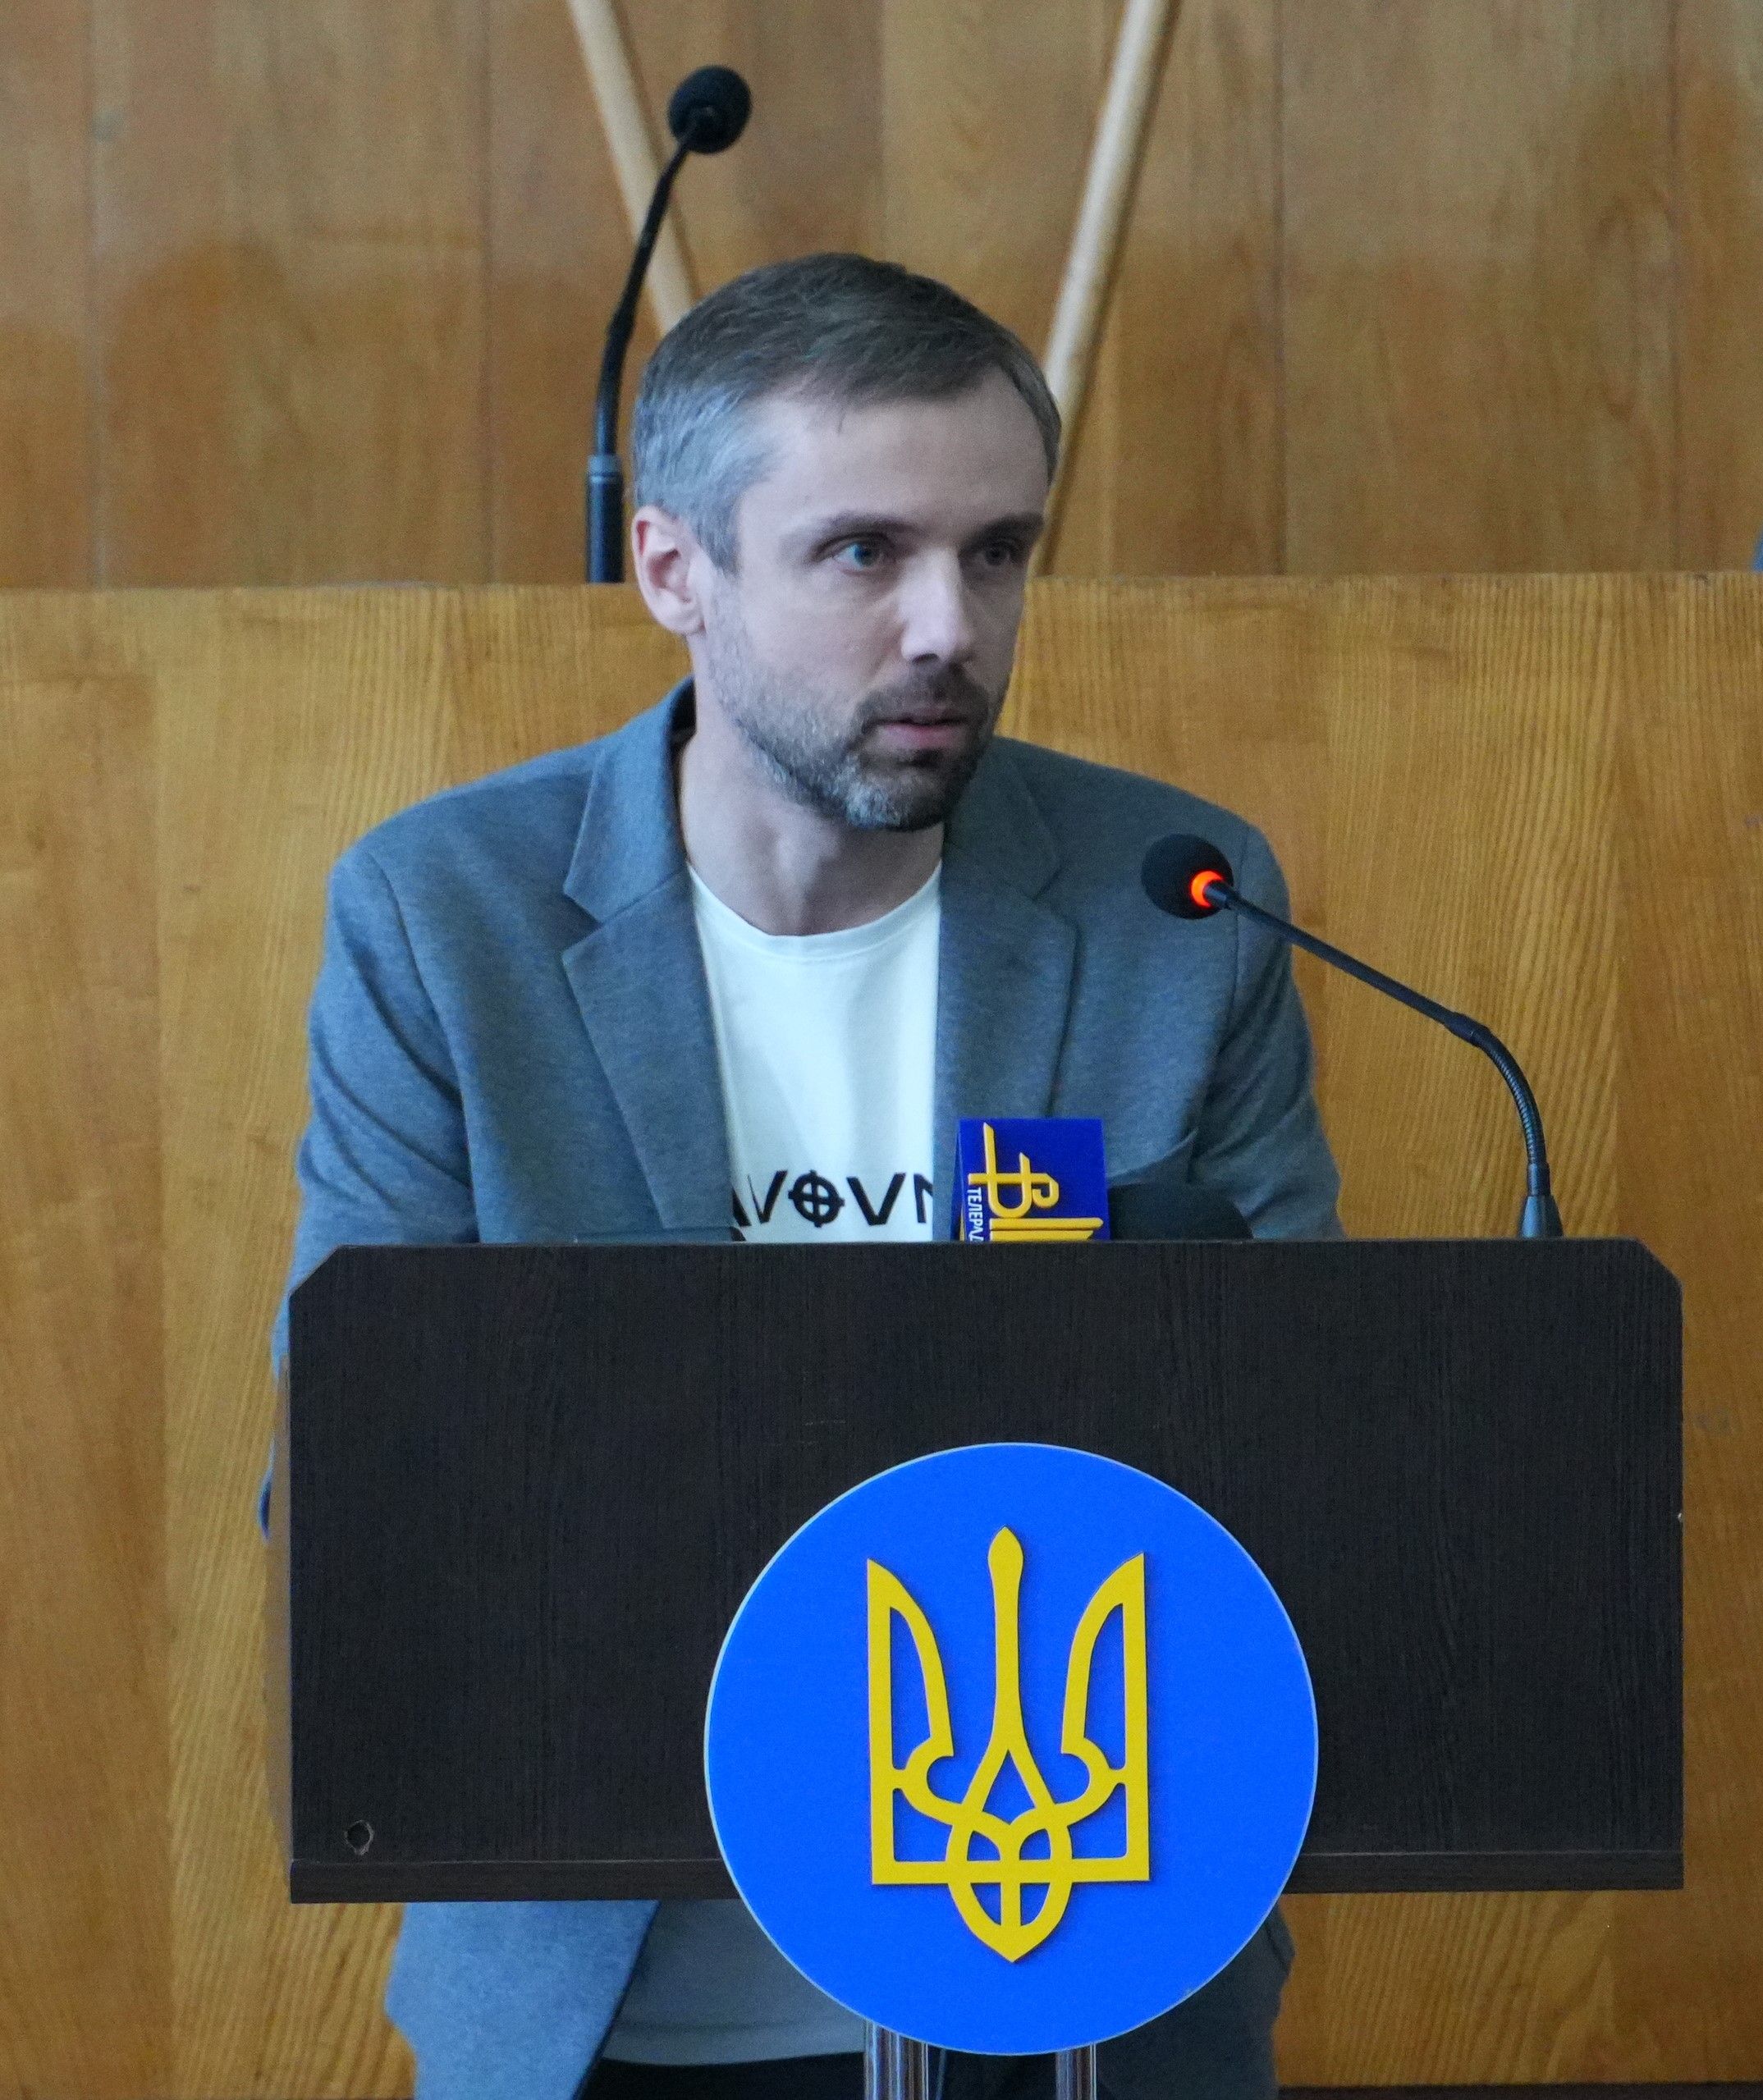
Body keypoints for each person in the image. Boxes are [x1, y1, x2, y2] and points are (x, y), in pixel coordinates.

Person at [277, 252, 1339, 2100]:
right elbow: (366, 1476)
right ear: (673, 569)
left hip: (1089, 1966)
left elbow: (1305, 1432)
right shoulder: (447, 918)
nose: (949, 626)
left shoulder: (1173, 902)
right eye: (864, 552)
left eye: (997, 553)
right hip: (617, 1989)